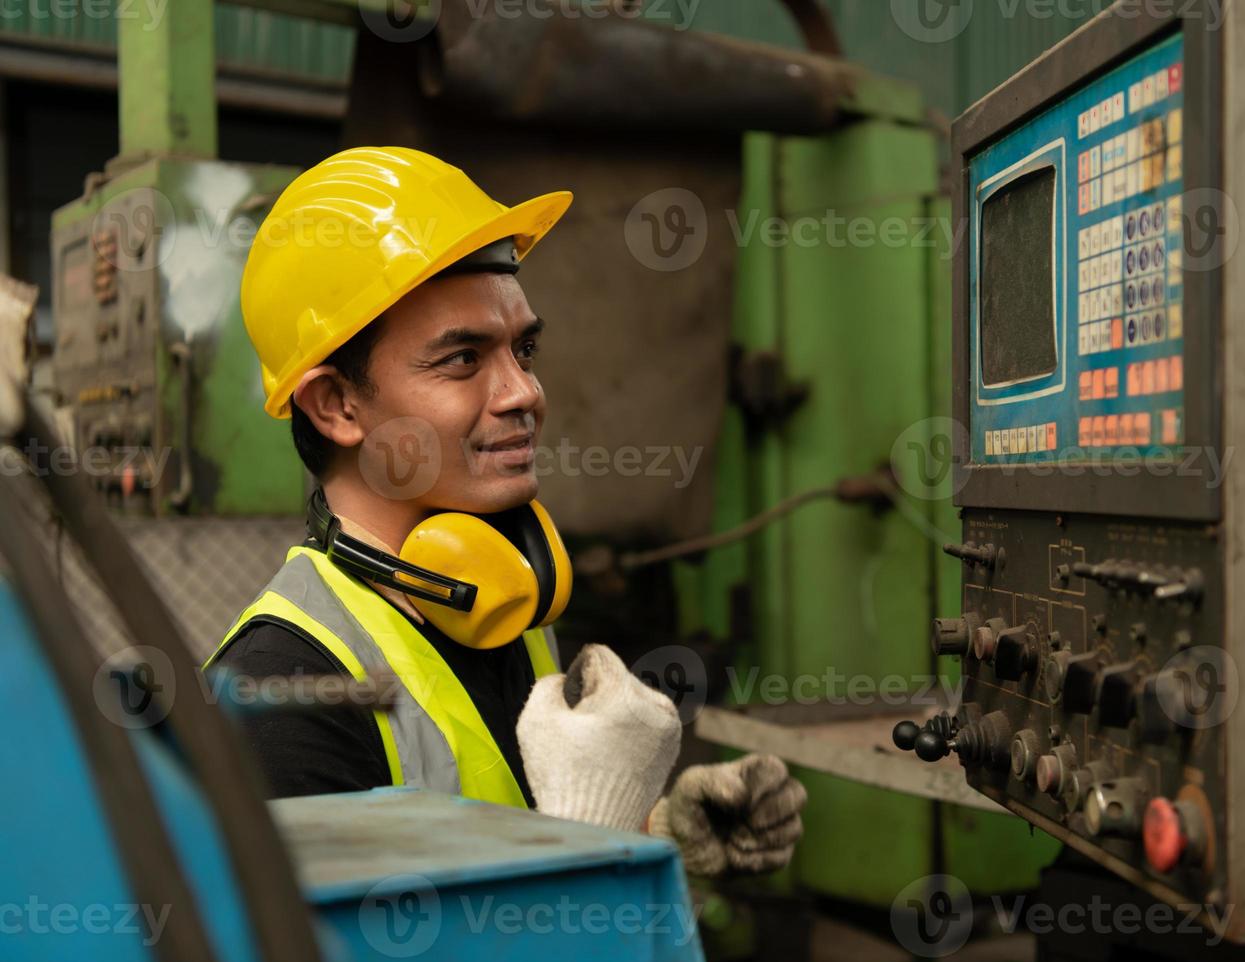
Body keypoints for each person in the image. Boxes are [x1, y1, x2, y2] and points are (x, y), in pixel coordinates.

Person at [204, 146, 805, 876]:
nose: (524, 392)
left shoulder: (492, 600)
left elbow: (504, 827)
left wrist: (656, 831)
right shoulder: (284, 703)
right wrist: (593, 836)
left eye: (525, 349)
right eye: (462, 359)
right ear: (336, 404)